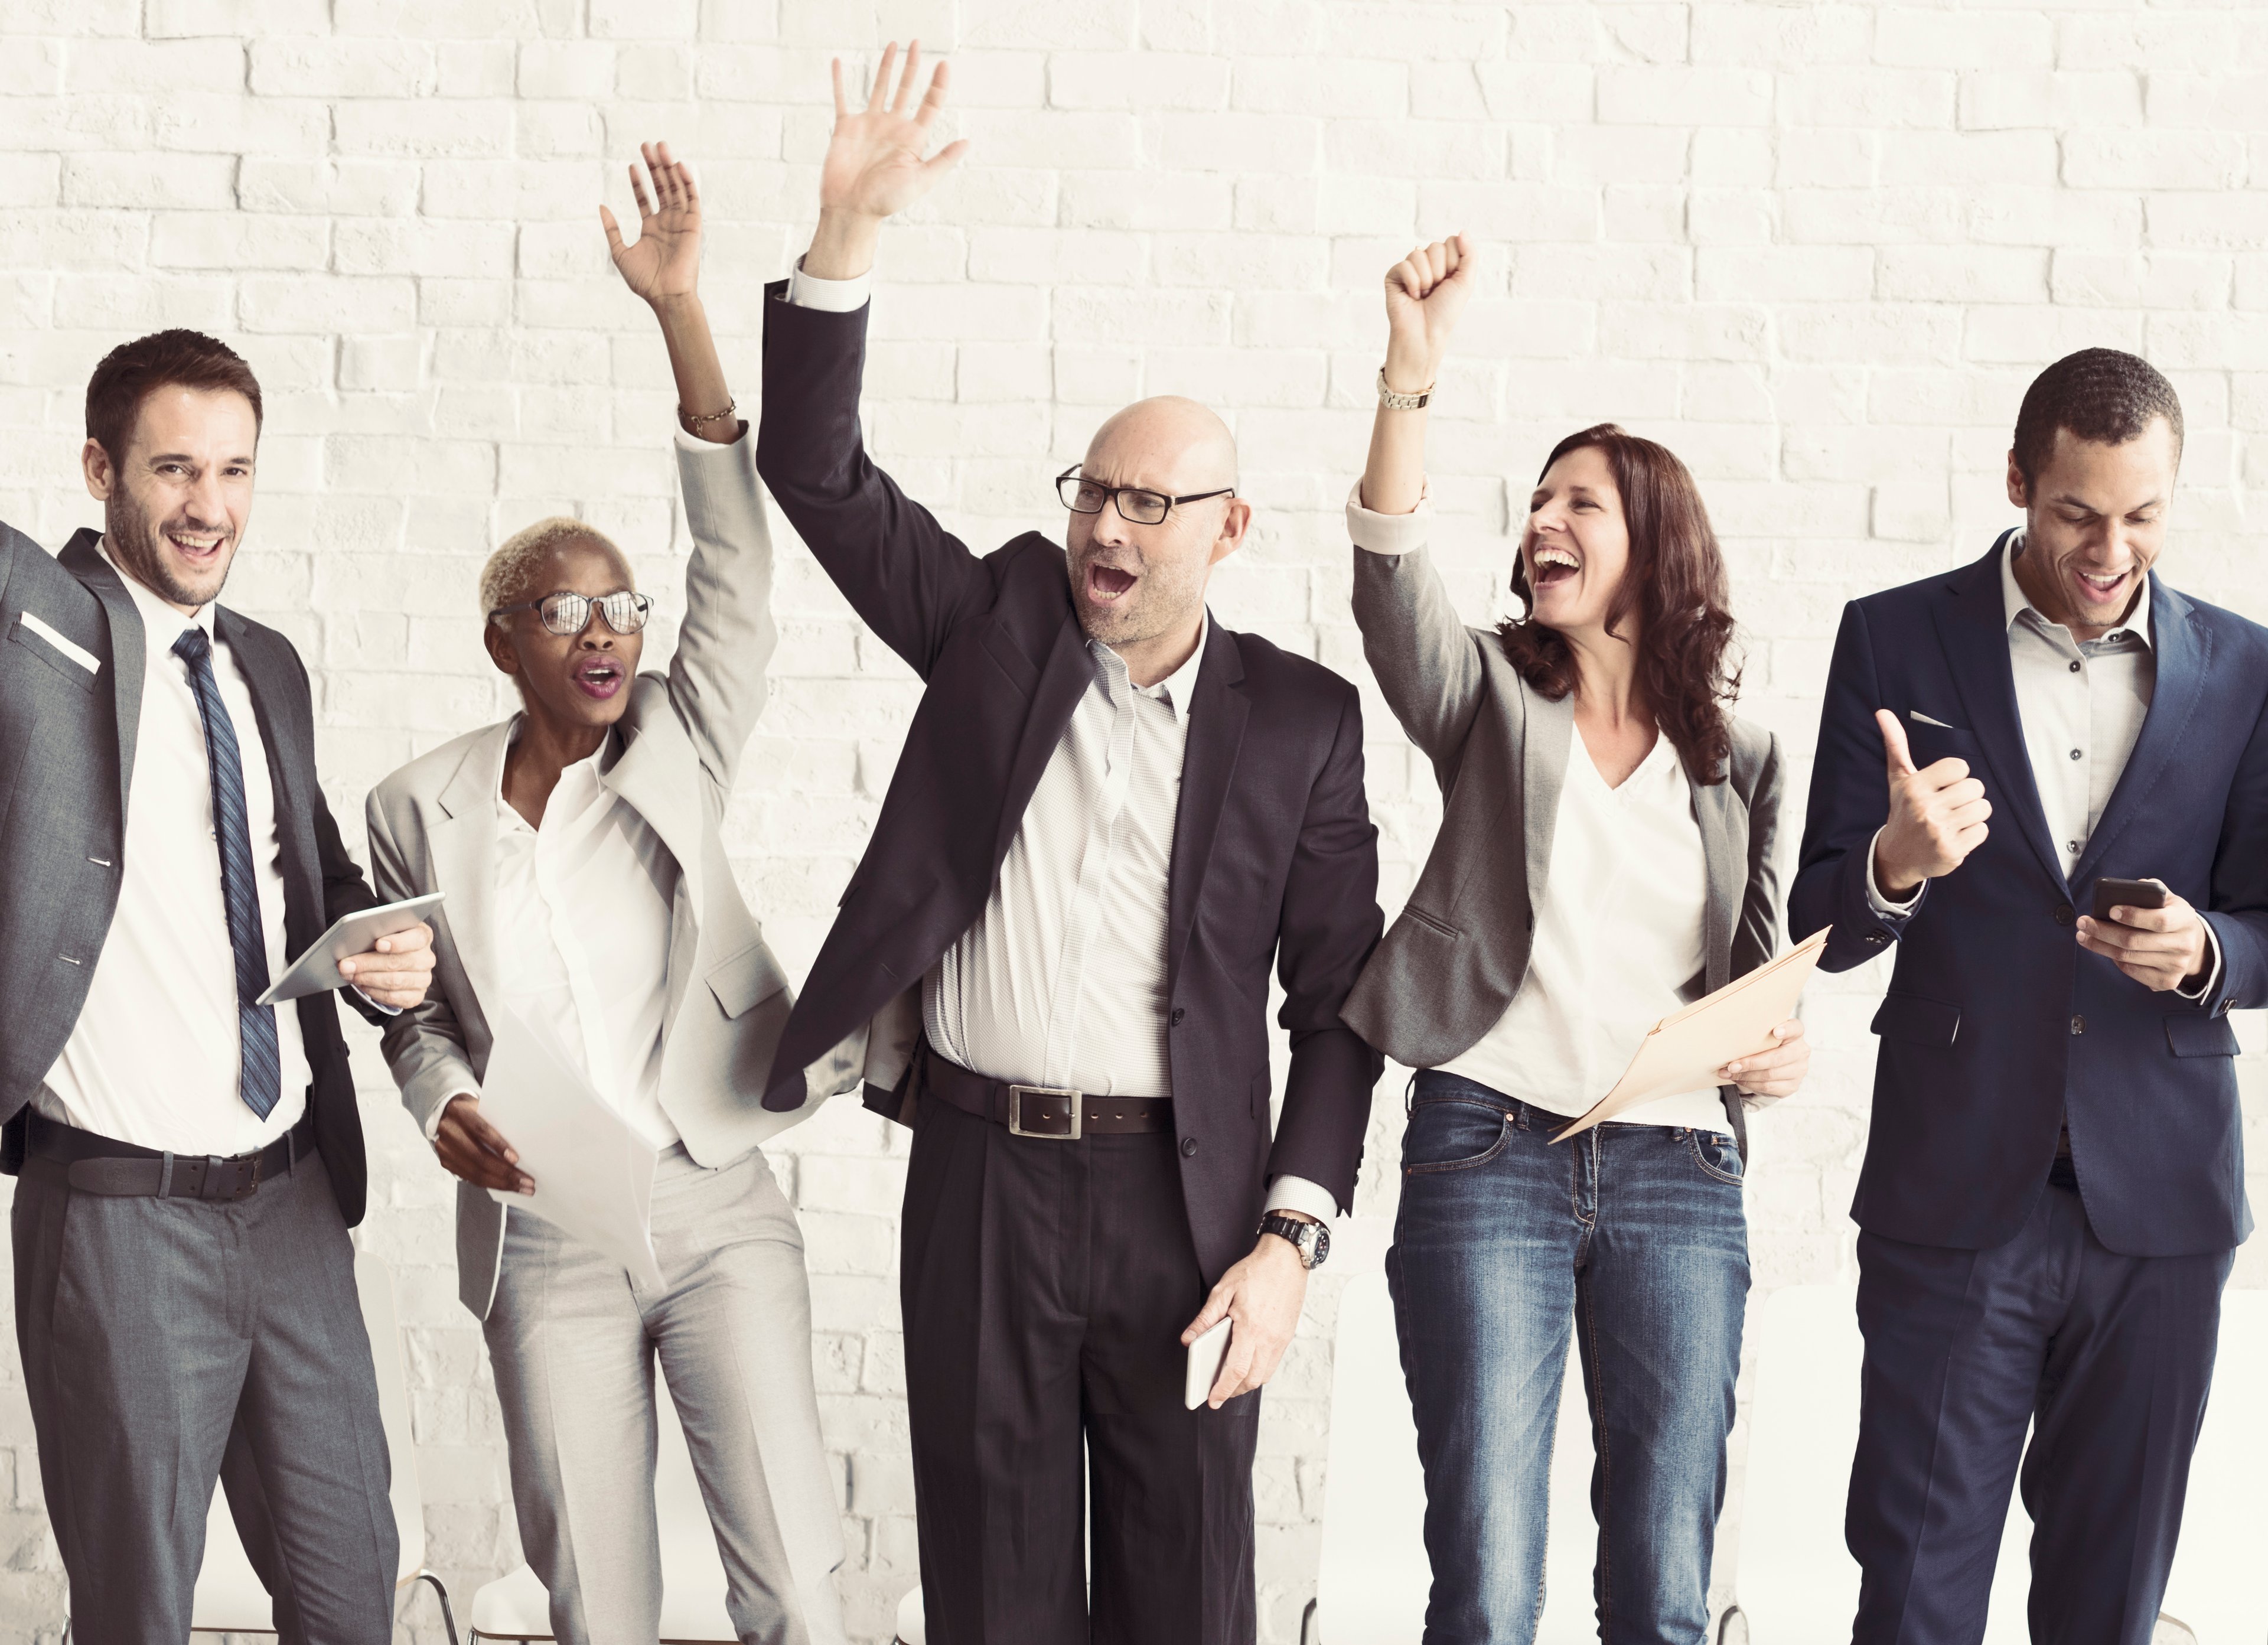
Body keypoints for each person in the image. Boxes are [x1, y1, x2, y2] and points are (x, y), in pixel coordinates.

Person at [751, 45, 1384, 1645]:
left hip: (1191, 1201)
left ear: (1229, 528)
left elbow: (1339, 1009)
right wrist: (847, 235)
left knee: (1187, 1594)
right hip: (981, 1179)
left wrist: (1291, 1238)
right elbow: (815, 474)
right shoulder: (998, 626)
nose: (1107, 526)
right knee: (993, 1598)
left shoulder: (1303, 724)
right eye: (1095, 491)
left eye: (1151, 504)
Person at [363, 145, 852, 1645]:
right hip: (543, 1229)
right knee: (600, 1602)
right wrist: (441, 1099)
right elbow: (414, 1019)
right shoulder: (414, 806)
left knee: (796, 1582)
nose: (604, 631)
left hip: (715, 1198)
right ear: (503, 640)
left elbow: (737, 573)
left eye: (621, 605)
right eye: (565, 608)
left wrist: (682, 315)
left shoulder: (679, 740)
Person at [1336, 236, 1810, 1643]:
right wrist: (1408, 379)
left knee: (1663, 1589)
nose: (1542, 518)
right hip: (1490, 1145)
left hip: (1680, 1168)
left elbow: (1757, 977)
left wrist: (1774, 1053)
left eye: (1579, 502)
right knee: (1488, 1586)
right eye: (1537, 501)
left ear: (1654, 545)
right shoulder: (1489, 694)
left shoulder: (1740, 757)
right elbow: (1390, 585)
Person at [1792, 348, 2268, 1644]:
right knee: (1914, 1600)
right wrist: (1895, 863)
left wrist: (2209, 951)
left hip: (2162, 1212)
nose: (2111, 552)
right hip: (1952, 1200)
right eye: (2076, 513)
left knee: (2108, 1611)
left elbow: (2266, 925)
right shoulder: (1894, 637)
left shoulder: (2245, 667)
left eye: (2143, 515)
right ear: (2017, 481)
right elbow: (1821, 923)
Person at [0, 330, 438, 1641]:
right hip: (122, 1217)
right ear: (100, 470)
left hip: (292, 1202)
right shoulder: (37, 636)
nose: (209, 506)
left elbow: (314, 875)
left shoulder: (266, 663)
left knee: (352, 1587)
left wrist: (379, 959)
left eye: (235, 470)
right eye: (174, 468)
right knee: (138, 1611)